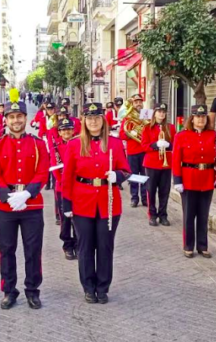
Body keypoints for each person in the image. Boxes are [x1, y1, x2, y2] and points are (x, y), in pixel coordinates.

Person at [62, 103, 130, 304]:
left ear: (103, 119)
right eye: (89, 118)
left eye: (97, 117)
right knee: (85, 246)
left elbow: (126, 170)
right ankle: (88, 287)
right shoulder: (74, 144)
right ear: (84, 120)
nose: (93, 121)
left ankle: (103, 287)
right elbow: (67, 177)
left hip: (108, 202)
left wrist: (116, 175)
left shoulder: (115, 144)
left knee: (105, 246)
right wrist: (66, 205)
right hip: (82, 201)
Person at [0, 101, 50, 310]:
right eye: (11, 117)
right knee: (6, 250)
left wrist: (26, 194)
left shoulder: (38, 143)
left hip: (31, 205)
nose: (16, 120)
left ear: (26, 119)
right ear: (5, 120)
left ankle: (32, 290)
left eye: (19, 116)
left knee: (33, 250)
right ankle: (9, 290)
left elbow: (42, 172)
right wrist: (6, 196)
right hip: (5, 207)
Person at [172, 105, 216, 258]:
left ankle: (203, 246)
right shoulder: (182, 136)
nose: (200, 119)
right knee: (189, 215)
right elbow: (176, 159)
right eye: (197, 117)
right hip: (189, 179)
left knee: (204, 215)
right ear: (192, 118)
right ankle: (188, 245)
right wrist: (177, 180)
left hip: (207, 178)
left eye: (203, 117)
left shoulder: (213, 135)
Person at [141, 103, 176, 226]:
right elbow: (144, 146)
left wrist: (168, 145)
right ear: (154, 113)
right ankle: (152, 215)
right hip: (151, 163)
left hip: (166, 164)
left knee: (164, 191)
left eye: (163, 111)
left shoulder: (170, 127)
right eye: (159, 111)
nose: (161, 114)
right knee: (151, 191)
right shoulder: (147, 128)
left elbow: (176, 145)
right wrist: (155, 145)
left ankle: (163, 215)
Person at [49, 117, 79, 259]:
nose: (66, 132)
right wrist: (64, 183)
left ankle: (79, 244)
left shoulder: (79, 144)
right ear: (59, 132)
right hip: (62, 187)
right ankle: (67, 245)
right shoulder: (56, 146)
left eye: (69, 129)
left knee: (79, 218)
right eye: (63, 130)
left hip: (79, 187)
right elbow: (55, 169)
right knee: (65, 219)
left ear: (73, 130)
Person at [120, 95, 146, 208]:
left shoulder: (147, 114)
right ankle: (134, 198)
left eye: (140, 102)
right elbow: (121, 135)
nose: (138, 104)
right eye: (136, 102)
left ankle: (145, 198)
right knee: (134, 176)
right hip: (133, 151)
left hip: (145, 150)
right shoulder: (127, 118)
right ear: (133, 104)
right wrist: (132, 133)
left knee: (145, 176)